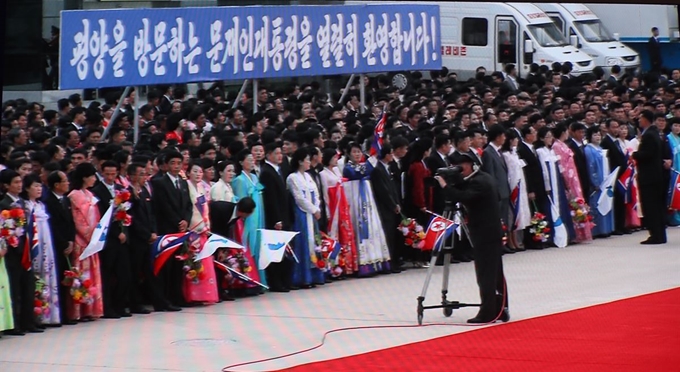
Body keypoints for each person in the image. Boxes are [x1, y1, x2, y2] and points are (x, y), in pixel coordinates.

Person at [434, 152, 509, 324]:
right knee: (495, 272)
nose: (458, 171)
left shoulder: (480, 182)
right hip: (490, 232)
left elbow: (462, 196)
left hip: (485, 233)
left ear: (468, 165)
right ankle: (500, 308)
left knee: (486, 273)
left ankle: (488, 312)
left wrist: (445, 185)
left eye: (460, 167)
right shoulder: (483, 178)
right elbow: (465, 188)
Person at [126, 163, 179, 312]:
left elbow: (152, 215)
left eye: (145, 174)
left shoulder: (145, 192)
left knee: (154, 272)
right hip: (137, 239)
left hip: (151, 237)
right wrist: (146, 234)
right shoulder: (127, 193)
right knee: (135, 273)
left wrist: (154, 232)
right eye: (141, 174)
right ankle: (134, 303)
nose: (145, 177)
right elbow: (132, 219)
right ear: (132, 176)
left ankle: (160, 302)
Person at [0, 169, 42, 335]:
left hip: (27, 250)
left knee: (28, 287)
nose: (19, 185)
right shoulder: (3, 205)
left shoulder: (24, 204)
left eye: (20, 182)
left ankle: (28, 321)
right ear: (6, 185)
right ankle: (15, 323)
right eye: (15, 182)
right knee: (15, 288)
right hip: (12, 252)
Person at [151, 151, 193, 307]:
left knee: (179, 264)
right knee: (166, 266)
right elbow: (163, 206)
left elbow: (188, 205)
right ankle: (165, 298)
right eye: (173, 163)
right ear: (167, 165)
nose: (176, 166)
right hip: (168, 229)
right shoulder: (160, 183)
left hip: (181, 230)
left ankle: (177, 296)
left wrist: (186, 221)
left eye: (178, 163)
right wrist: (178, 221)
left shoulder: (183, 182)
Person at [342, 142, 391, 276]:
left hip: (368, 202)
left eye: (359, 152)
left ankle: (378, 261)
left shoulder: (363, 165)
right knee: (361, 229)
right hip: (356, 202)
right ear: (348, 154)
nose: (357, 154)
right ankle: (363, 264)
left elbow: (367, 170)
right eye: (354, 152)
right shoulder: (348, 168)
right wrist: (373, 158)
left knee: (374, 228)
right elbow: (359, 173)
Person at [91, 160, 132, 318]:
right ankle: (108, 308)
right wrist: (116, 233)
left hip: (122, 238)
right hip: (108, 239)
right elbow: (101, 217)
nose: (110, 177)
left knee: (124, 274)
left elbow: (127, 212)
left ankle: (121, 305)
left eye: (113, 174)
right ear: (102, 173)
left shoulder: (121, 189)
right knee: (107, 274)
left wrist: (125, 231)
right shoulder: (97, 191)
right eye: (107, 174)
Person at [67, 163, 104, 321]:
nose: (94, 179)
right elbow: (78, 220)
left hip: (92, 240)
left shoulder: (90, 194)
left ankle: (90, 308)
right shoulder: (74, 195)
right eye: (92, 176)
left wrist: (97, 235)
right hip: (81, 241)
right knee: (81, 274)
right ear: (84, 177)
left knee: (91, 274)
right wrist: (89, 235)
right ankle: (78, 310)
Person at [22, 174, 61, 326]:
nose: (38, 189)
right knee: (36, 277)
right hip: (33, 246)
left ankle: (50, 314)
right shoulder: (25, 206)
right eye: (35, 186)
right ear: (27, 188)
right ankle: (36, 316)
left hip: (47, 244)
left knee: (48, 274)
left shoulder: (42, 206)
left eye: (40, 186)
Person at [287, 148, 325, 288]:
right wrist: (313, 209)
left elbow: (316, 194)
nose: (309, 162)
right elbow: (299, 198)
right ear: (300, 161)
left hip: (312, 214)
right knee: (303, 243)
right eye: (307, 160)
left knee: (314, 243)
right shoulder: (292, 178)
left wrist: (317, 208)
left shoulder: (309, 177)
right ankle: (302, 277)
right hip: (301, 214)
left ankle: (315, 275)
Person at [43, 171, 78, 325]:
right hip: (57, 247)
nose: (68, 183)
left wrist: (71, 240)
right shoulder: (48, 201)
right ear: (56, 185)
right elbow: (53, 226)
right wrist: (64, 243)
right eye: (65, 181)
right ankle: (59, 314)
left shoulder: (65, 199)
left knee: (67, 278)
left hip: (68, 244)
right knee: (58, 279)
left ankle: (67, 313)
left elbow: (71, 222)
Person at [259, 143, 293, 291]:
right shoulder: (267, 172)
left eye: (281, 153)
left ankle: (285, 280)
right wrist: (276, 219)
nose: (280, 156)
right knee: (276, 250)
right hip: (275, 218)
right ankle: (276, 282)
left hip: (284, 215)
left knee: (284, 250)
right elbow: (271, 199)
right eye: (276, 153)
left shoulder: (278, 170)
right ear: (268, 155)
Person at [184, 161, 219, 304]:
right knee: (193, 260)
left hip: (203, 228)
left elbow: (205, 209)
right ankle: (193, 296)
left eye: (200, 172)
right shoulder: (186, 186)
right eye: (195, 171)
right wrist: (197, 225)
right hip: (193, 228)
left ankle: (205, 294)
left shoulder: (201, 188)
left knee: (205, 261)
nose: (198, 174)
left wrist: (206, 225)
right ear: (188, 173)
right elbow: (189, 209)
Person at [319, 148, 358, 276]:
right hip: (333, 205)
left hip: (342, 205)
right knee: (334, 234)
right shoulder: (323, 174)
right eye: (334, 157)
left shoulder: (336, 170)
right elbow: (325, 194)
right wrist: (327, 210)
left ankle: (347, 265)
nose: (336, 160)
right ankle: (334, 267)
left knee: (346, 233)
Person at [552, 124, 592, 243]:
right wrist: (566, 179)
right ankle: (574, 232)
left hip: (573, 175)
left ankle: (581, 231)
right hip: (567, 176)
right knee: (572, 203)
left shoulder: (563, 144)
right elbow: (561, 164)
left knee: (578, 201)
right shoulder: (556, 146)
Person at [232, 149, 266, 286]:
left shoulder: (254, 177)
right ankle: (249, 279)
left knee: (258, 245)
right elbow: (241, 201)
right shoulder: (239, 180)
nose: (252, 162)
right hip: (248, 218)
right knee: (249, 245)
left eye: (253, 160)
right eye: (249, 160)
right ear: (241, 162)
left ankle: (259, 278)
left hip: (259, 215)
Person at [633, 110, 667, 244]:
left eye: (640, 118)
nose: (639, 121)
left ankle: (655, 235)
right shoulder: (655, 133)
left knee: (651, 206)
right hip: (657, 176)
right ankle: (660, 234)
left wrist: (635, 155)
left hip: (650, 177)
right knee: (657, 206)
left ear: (646, 119)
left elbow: (647, 154)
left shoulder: (649, 135)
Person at [536, 127, 574, 245]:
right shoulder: (540, 151)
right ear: (542, 138)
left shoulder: (552, 151)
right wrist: (547, 186)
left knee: (562, 207)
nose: (550, 139)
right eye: (547, 136)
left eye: (551, 136)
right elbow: (543, 171)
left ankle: (565, 234)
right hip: (550, 186)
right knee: (551, 209)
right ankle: (552, 236)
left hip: (557, 183)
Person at [482, 125, 513, 253]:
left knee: (504, 218)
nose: (504, 138)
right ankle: (497, 244)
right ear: (498, 137)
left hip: (504, 191)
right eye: (503, 136)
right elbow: (490, 174)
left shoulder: (498, 151)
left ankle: (503, 242)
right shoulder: (488, 152)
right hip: (497, 192)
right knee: (497, 219)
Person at [500, 130, 531, 250]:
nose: (517, 141)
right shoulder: (506, 154)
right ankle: (511, 240)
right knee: (512, 214)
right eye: (515, 139)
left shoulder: (515, 153)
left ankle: (518, 239)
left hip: (521, 185)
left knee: (521, 213)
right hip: (513, 186)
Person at [584, 126, 615, 238]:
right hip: (597, 183)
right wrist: (595, 182)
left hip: (605, 180)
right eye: (595, 135)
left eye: (598, 135)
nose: (597, 137)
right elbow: (591, 167)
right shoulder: (589, 149)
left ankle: (606, 228)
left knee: (605, 203)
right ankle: (597, 230)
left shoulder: (601, 148)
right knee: (596, 205)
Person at [667, 118, 680, 226]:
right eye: (675, 125)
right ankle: (673, 218)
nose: (677, 128)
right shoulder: (668, 138)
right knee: (673, 194)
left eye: (679, 126)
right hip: (674, 170)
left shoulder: (679, 139)